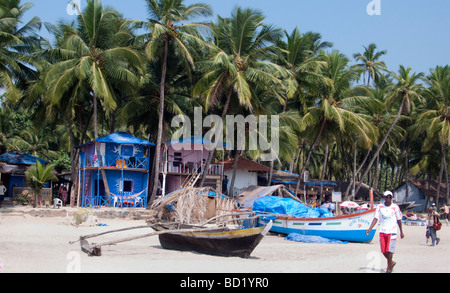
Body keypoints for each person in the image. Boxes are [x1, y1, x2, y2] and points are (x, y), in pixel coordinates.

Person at [366, 190, 404, 273]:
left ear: (391, 198)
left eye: (390, 197)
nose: (388, 198)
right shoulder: (380, 207)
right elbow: (376, 218)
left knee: (390, 250)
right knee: (383, 250)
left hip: (392, 231)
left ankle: (389, 267)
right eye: (386, 197)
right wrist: (369, 229)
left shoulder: (395, 207)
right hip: (383, 230)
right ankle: (392, 262)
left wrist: (401, 232)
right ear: (384, 198)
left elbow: (399, 219)